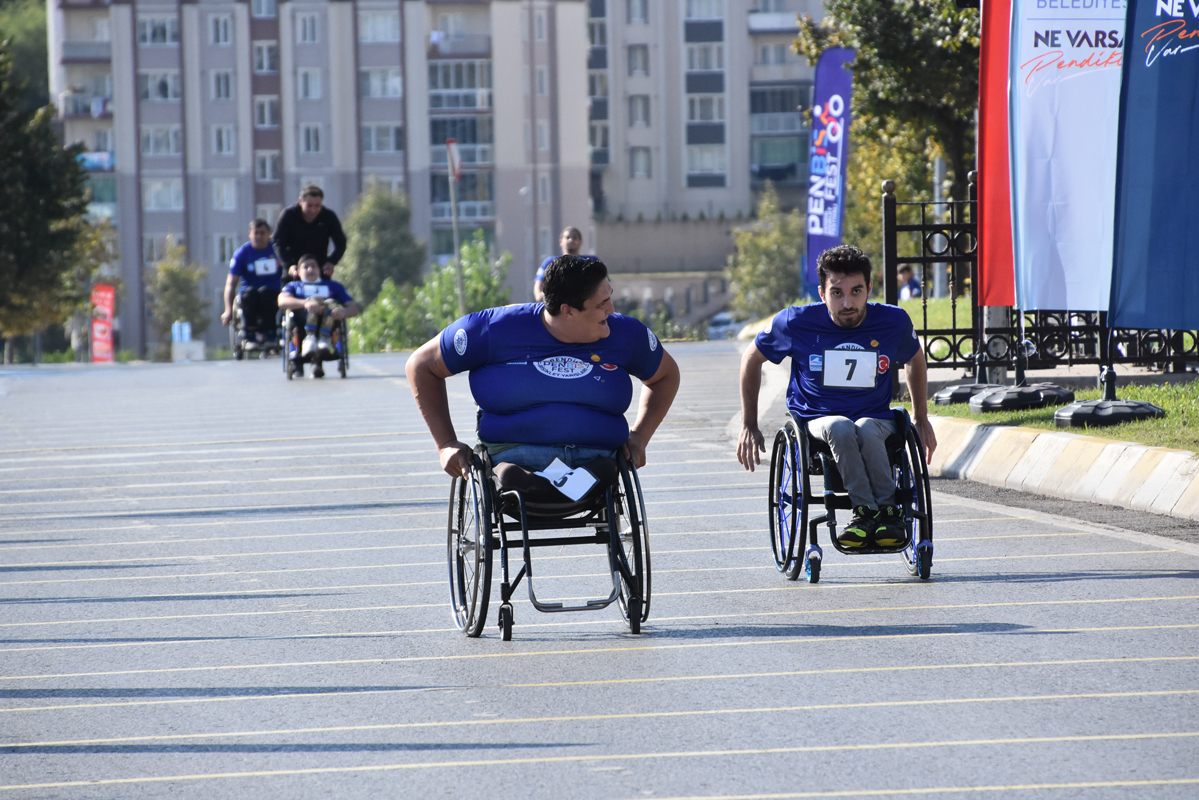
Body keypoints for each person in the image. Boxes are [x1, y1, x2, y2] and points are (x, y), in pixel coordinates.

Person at [407, 255, 680, 483]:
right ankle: (531, 483)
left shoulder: (625, 333)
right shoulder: (493, 328)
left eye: (609, 297)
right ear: (568, 310)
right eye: (601, 304)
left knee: (600, 476)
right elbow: (421, 365)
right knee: (514, 479)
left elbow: (666, 375)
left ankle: (568, 483)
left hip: (597, 461)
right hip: (514, 461)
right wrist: (445, 445)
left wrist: (640, 436)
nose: (612, 309)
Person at [737, 245, 937, 548]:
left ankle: (889, 513)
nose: (848, 303)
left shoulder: (893, 321)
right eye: (837, 293)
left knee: (867, 427)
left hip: (874, 417)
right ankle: (865, 512)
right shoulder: (795, 322)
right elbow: (751, 359)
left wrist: (921, 418)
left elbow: (915, 358)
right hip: (817, 418)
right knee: (839, 426)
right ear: (822, 293)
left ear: (869, 288)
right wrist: (749, 424)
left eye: (856, 291)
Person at [278, 254, 359, 378]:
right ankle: (310, 338)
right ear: (298, 272)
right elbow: (282, 301)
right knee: (313, 300)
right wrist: (305, 303)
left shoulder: (333, 286)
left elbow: (353, 308)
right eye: (306, 267)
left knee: (330, 302)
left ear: (319, 270)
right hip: (302, 321)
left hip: (328, 321)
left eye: (313, 266)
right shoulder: (293, 286)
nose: (310, 269)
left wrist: (343, 312)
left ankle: (324, 339)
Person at [221, 219, 282, 345]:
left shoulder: (277, 250)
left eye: (262, 233)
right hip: (249, 294)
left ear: (269, 234)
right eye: (256, 233)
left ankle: (270, 331)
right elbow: (231, 283)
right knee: (250, 295)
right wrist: (228, 310)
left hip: (273, 293)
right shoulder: (242, 254)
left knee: (265, 292)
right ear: (250, 234)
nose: (259, 236)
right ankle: (250, 332)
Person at [272, 184, 347, 280]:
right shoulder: (288, 215)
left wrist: (331, 262)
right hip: (294, 271)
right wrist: (289, 265)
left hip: (320, 271)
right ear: (300, 202)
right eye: (309, 205)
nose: (313, 210)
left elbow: (341, 243)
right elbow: (278, 243)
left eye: (317, 206)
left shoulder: (328, 217)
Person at [533, 227, 595, 302]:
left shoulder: (590, 261)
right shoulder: (550, 262)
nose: (571, 240)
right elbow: (538, 290)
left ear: (580, 242)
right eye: (567, 237)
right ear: (561, 241)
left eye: (575, 237)